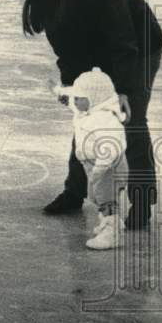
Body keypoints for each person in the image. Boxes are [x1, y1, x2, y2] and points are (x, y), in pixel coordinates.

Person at [23, 0, 162, 229]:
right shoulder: (50, 1)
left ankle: (142, 199)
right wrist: (73, 91)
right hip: (98, 49)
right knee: (86, 114)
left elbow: (124, 41)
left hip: (140, 46)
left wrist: (123, 89)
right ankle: (75, 191)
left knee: (130, 118)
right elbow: (67, 53)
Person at [53, 68, 129, 250]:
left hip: (108, 167)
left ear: (94, 98)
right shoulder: (87, 109)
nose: (75, 101)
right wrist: (56, 90)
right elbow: (69, 99)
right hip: (94, 165)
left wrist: (100, 169)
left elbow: (111, 147)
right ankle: (108, 224)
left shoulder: (105, 119)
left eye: (79, 98)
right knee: (99, 198)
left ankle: (112, 233)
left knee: (107, 200)